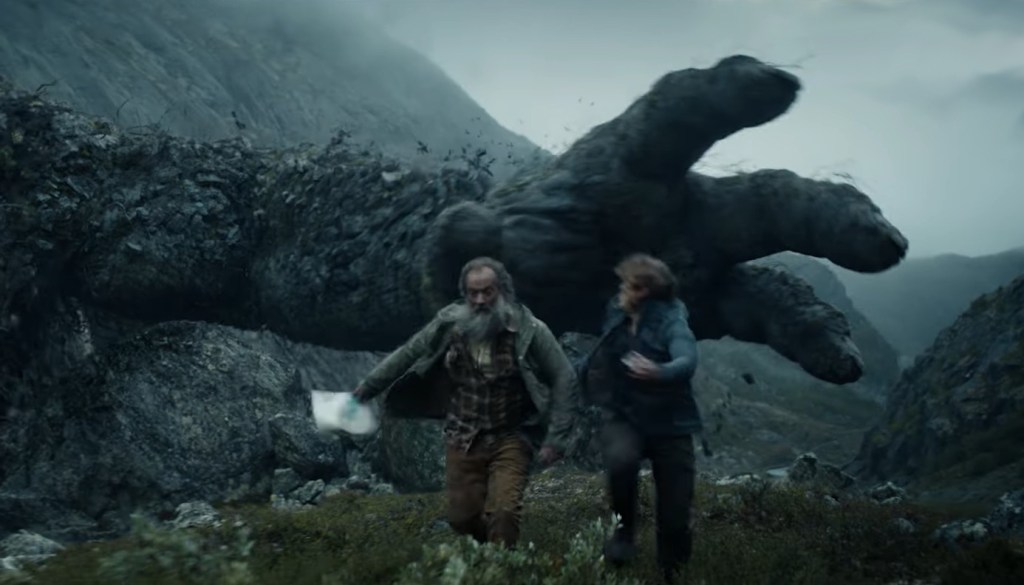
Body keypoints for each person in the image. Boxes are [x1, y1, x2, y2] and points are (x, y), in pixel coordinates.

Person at [352, 256, 579, 548]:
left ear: (503, 291)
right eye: (473, 293)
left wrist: (555, 439)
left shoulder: (530, 330)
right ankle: (487, 553)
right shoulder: (450, 324)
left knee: (504, 512)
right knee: (462, 519)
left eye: (488, 292)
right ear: (465, 294)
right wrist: (367, 388)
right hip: (463, 436)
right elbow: (409, 353)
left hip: (511, 436)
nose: (480, 300)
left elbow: (564, 376)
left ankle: (502, 564)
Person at [576, 253, 700, 584]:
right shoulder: (617, 314)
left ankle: (671, 572)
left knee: (675, 514)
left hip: (671, 425)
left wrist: (660, 371)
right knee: (620, 463)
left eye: (626, 285)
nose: (620, 291)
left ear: (644, 291)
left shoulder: (672, 319)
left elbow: (686, 357)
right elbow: (599, 355)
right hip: (626, 418)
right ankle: (623, 537)